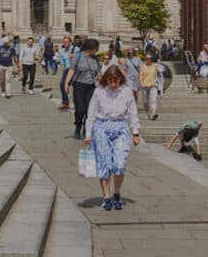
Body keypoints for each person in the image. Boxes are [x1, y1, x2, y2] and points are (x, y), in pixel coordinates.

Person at [85, 63, 140, 211]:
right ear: (106, 80)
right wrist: (88, 133)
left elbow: (132, 112)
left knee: (119, 164)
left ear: (120, 79)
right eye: (110, 80)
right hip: (102, 126)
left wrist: (135, 132)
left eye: (116, 80)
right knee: (104, 163)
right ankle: (106, 196)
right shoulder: (99, 92)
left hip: (120, 126)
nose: (113, 84)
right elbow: (91, 113)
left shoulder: (126, 91)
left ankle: (117, 192)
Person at [66, 37, 100, 140]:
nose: (97, 50)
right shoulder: (78, 56)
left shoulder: (95, 59)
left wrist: (100, 77)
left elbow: (98, 72)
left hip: (91, 86)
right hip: (79, 85)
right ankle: (78, 126)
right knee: (80, 109)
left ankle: (86, 128)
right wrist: (66, 83)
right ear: (91, 48)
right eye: (96, 48)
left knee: (89, 110)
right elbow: (71, 70)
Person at [58, 35, 76, 110]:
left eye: (67, 42)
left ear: (70, 42)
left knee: (76, 87)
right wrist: (62, 65)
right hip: (66, 70)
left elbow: (80, 56)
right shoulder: (62, 50)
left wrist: (74, 55)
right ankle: (65, 102)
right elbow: (62, 60)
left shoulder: (76, 49)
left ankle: (77, 103)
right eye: (64, 42)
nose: (66, 43)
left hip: (75, 70)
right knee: (62, 84)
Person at [139, 52, 159, 120]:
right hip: (144, 85)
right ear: (145, 59)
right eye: (147, 58)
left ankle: (153, 113)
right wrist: (141, 83)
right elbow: (141, 76)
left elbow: (158, 75)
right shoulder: (142, 66)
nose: (148, 60)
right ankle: (147, 113)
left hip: (153, 85)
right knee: (145, 101)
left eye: (150, 58)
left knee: (153, 100)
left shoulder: (154, 66)